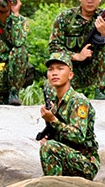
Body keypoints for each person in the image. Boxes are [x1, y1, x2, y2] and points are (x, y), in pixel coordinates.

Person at [48, 0, 105, 100]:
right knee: (54, 69)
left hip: (92, 69)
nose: (90, 1)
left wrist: (104, 34)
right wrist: (77, 56)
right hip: (70, 69)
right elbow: (54, 48)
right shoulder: (65, 17)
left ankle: (101, 91)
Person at [37, 50, 100, 180]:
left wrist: (53, 121)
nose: (54, 73)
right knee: (48, 146)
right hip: (68, 156)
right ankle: (52, 183)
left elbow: (78, 136)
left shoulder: (78, 101)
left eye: (60, 69)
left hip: (85, 162)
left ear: (70, 75)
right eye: (50, 69)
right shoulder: (54, 102)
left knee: (50, 148)